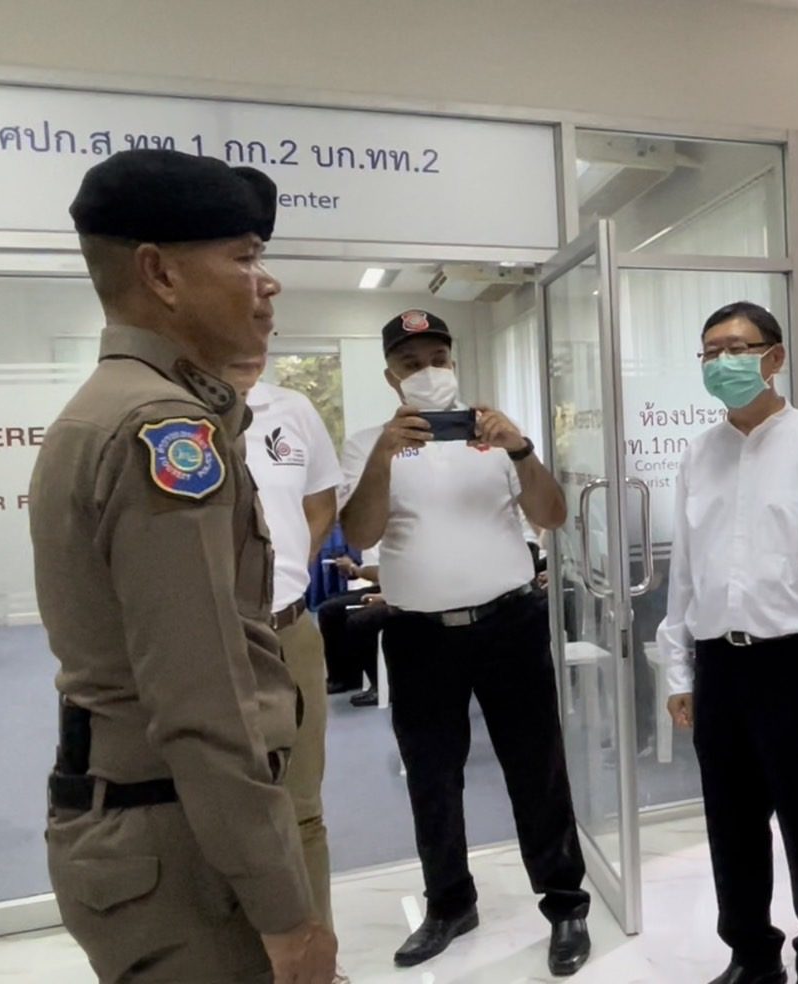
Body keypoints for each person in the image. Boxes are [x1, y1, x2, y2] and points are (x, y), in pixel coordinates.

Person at [31, 149, 337, 983]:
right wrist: (288, 915)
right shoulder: (161, 429)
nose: (267, 282)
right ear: (160, 274)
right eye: (243, 257)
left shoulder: (118, 408)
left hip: (157, 825)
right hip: (184, 851)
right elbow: (204, 701)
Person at [337, 310, 590, 976]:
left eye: (438, 359)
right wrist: (384, 456)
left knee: (536, 768)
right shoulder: (367, 444)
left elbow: (552, 514)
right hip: (420, 635)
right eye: (411, 363)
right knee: (431, 775)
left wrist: (521, 449)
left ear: (453, 361)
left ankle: (565, 904)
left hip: (510, 624)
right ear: (391, 376)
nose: (428, 372)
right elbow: (359, 533)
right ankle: (450, 904)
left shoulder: (496, 436)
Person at [659, 301, 798, 984]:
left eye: (736, 348)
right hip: (718, 662)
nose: (721, 363)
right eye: (709, 352)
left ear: (775, 357)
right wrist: (678, 671)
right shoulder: (698, 453)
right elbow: (685, 572)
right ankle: (752, 955)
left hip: (795, 661)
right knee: (730, 822)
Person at [220, 361, 344, 932]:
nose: (255, 339)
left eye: (265, 326)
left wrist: (284, 568)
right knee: (216, 805)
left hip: (290, 631)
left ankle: (317, 953)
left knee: (301, 807)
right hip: (210, 641)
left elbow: (321, 503)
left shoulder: (291, 410)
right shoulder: (170, 408)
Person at [319, 551, 386, 706]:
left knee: (359, 621)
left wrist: (355, 569)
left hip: (401, 594)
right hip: (387, 588)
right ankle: (344, 677)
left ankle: (381, 686)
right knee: (329, 609)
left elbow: (384, 574)